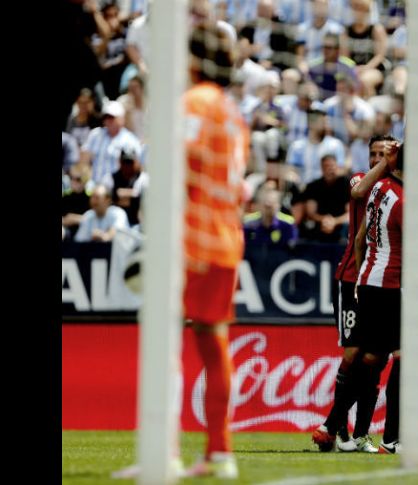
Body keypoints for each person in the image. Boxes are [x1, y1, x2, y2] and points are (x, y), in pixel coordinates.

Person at [181, 24, 249, 478]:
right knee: (212, 339)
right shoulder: (233, 112)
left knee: (165, 339)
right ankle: (220, 451)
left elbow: (180, 160)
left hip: (190, 238)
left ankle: (160, 452)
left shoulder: (195, 103)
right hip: (226, 238)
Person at [311, 134, 398, 453]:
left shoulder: (398, 189)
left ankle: (358, 433)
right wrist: (387, 164)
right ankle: (338, 427)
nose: (378, 159)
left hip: (383, 281)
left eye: (384, 154)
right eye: (374, 153)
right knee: (352, 354)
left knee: (375, 358)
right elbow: (359, 190)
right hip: (352, 278)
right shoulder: (364, 179)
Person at [353, 143, 405, 453]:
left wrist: (361, 276)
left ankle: (355, 432)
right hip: (391, 284)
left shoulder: (379, 189)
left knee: (371, 359)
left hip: (370, 279)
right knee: (404, 358)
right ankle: (391, 437)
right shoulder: (403, 200)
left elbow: (361, 239)